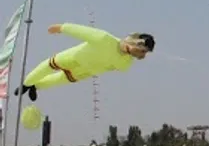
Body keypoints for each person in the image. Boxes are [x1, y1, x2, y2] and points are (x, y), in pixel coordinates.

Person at [15, 25, 155, 102]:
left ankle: (36, 86)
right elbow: (82, 32)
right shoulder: (105, 39)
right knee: (48, 66)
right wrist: (62, 28)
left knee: (58, 80)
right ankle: (26, 83)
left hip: (84, 71)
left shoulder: (126, 63)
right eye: (143, 50)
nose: (142, 54)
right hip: (73, 57)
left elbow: (115, 68)